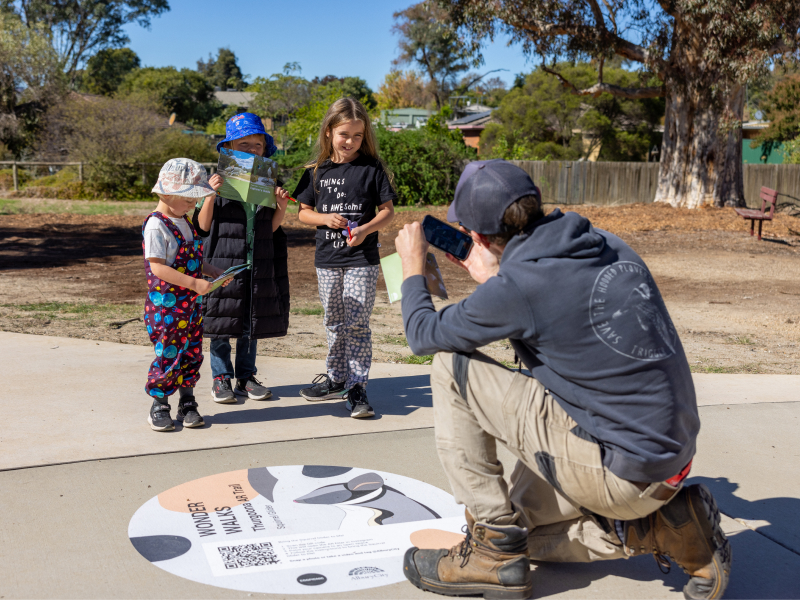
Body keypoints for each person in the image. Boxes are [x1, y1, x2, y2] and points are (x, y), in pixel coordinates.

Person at [394, 160, 731, 600]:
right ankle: (669, 528)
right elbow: (554, 300)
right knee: (525, 531)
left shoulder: (518, 287)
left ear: (476, 237)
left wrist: (411, 267)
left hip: (621, 473)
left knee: (448, 366)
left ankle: (492, 554)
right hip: (666, 457)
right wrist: (498, 275)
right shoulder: (605, 244)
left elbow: (423, 334)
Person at [293, 98, 396, 418]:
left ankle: (358, 387)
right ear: (328, 132)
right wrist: (325, 219)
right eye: (344, 134)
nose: (350, 142)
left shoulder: (372, 168)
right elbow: (303, 214)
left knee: (356, 323)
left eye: (357, 136)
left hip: (362, 259)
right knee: (334, 321)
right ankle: (336, 378)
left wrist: (365, 230)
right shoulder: (315, 172)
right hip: (327, 260)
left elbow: (388, 213)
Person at [192, 112, 291, 404]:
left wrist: (282, 206)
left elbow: (271, 229)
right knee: (221, 322)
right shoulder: (216, 180)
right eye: (243, 144)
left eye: (257, 145)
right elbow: (202, 227)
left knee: (251, 321)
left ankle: (246, 378)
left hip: (257, 262)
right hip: (223, 262)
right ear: (229, 148)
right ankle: (221, 377)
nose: (251, 150)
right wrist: (210, 195)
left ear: (265, 148)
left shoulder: (268, 181)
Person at [143, 158, 230, 432]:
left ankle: (188, 401)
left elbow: (193, 258)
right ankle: (159, 403)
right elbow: (158, 267)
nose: (193, 205)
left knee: (191, 353)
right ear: (167, 194)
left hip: (191, 306)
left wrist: (211, 270)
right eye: (189, 199)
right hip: (167, 308)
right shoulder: (157, 225)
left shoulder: (184, 222)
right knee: (169, 353)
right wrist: (194, 283)